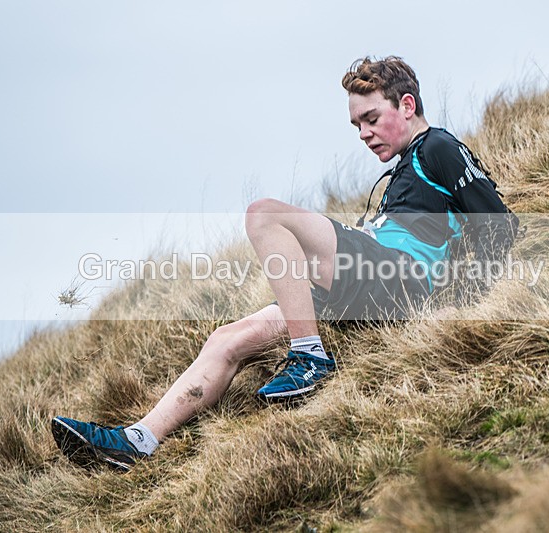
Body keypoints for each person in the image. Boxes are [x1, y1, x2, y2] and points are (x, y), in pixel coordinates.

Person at [51, 56, 517, 471]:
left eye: (372, 119)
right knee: (228, 339)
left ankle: (309, 355)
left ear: (408, 106)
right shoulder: (403, 167)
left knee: (264, 214)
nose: (364, 134)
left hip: (399, 279)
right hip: (369, 282)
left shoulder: (437, 147)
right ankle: (137, 440)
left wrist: (473, 299)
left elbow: (499, 223)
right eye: (356, 125)